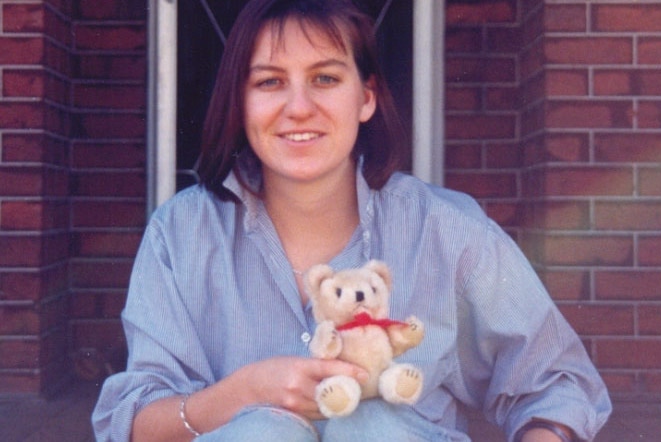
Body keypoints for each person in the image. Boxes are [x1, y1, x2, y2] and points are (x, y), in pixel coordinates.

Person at [92, 0, 611, 440]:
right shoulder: (181, 234)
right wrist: (247, 394)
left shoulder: (445, 230)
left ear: (364, 97)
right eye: (270, 81)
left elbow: (556, 381)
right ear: (241, 101)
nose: (299, 107)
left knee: (370, 424)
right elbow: (132, 420)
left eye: (325, 78)